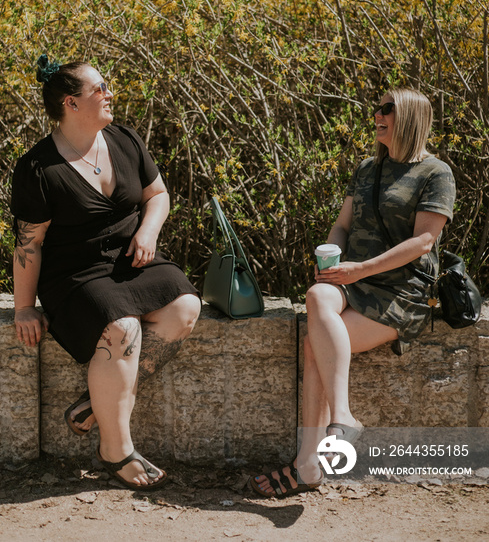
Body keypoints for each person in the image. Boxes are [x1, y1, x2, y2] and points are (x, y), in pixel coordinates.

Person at [251, 88, 456, 498]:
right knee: (317, 295)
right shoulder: (367, 168)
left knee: (315, 346)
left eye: (386, 109)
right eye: (377, 108)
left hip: (402, 290)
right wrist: (331, 260)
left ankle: (307, 464)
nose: (376, 115)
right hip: (352, 280)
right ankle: (341, 419)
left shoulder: (437, 173)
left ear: (410, 117)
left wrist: (360, 268)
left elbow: (422, 243)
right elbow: (342, 224)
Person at [11, 55, 201, 491]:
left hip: (129, 261)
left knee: (186, 306)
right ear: (70, 104)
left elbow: (158, 195)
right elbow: (28, 244)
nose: (109, 94)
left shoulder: (124, 139)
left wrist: (149, 231)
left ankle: (96, 406)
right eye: (99, 89)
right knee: (122, 328)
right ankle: (115, 451)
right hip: (74, 277)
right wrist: (24, 307)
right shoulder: (38, 168)